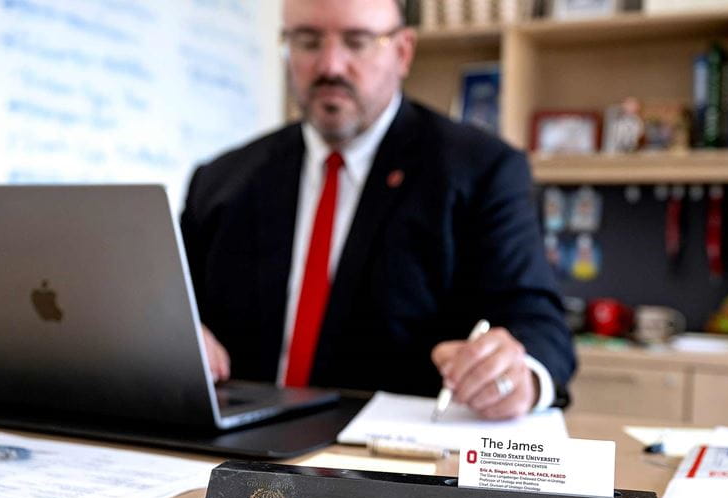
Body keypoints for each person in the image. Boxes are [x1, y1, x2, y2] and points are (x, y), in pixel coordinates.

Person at [180, 0, 575, 420]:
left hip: (390, 448)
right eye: (308, 41)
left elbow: (540, 327)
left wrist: (518, 375)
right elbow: (177, 307)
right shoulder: (221, 179)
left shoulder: (481, 170)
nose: (330, 65)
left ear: (403, 52)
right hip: (236, 440)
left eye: (357, 42)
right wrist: (178, 337)